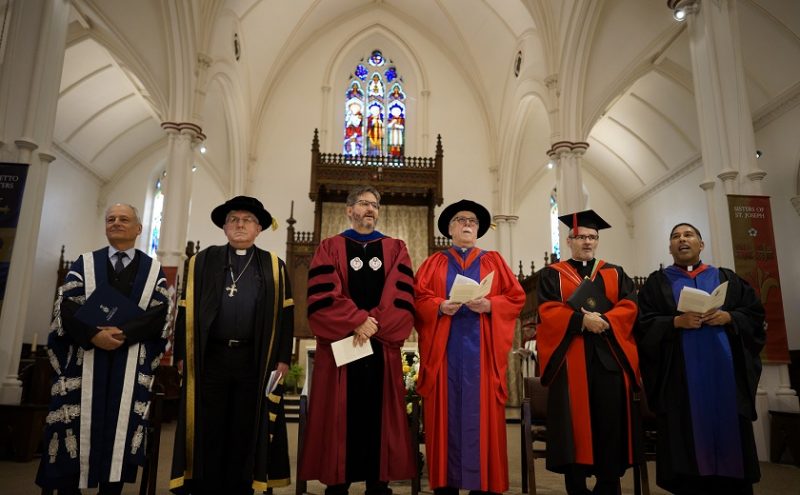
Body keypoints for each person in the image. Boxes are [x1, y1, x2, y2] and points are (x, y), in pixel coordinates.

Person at [36, 203, 171, 494]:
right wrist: (93, 335)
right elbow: (67, 306)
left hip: (128, 364)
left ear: (138, 228)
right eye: (111, 219)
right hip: (85, 361)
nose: (116, 223)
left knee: (118, 439)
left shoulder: (153, 271)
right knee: (73, 435)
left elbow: (158, 314)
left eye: (124, 219)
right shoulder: (84, 264)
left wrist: (122, 332)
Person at [170, 196, 294, 495]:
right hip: (210, 357)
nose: (240, 225)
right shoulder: (202, 261)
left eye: (247, 220)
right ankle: (206, 484)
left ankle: (241, 486)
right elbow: (184, 310)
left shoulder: (273, 266)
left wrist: (282, 358)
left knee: (244, 425)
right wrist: (181, 353)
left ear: (259, 228)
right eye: (234, 220)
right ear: (224, 227)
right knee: (210, 423)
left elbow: (286, 313)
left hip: (254, 359)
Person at [299, 185, 416, 495]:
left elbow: (400, 295)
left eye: (374, 205)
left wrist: (371, 324)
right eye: (363, 203)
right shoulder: (330, 247)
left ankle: (378, 483)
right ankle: (339, 483)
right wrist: (356, 321)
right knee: (341, 417)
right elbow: (323, 296)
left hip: (380, 349)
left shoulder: (395, 249)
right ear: (349, 210)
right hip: (343, 349)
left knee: (379, 418)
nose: (370, 209)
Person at [636, 223, 765, 494]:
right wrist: (675, 322)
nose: (682, 240)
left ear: (701, 244)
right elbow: (642, 326)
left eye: (688, 235)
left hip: (725, 377)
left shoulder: (725, 278)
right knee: (689, 464)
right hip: (682, 382)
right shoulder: (657, 283)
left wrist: (729, 317)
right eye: (675, 237)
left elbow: (754, 315)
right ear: (670, 248)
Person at [414, 199, 525, 495]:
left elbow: (515, 298)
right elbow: (419, 300)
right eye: (461, 220)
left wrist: (491, 304)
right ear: (450, 228)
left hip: (482, 358)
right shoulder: (433, 263)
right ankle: (445, 485)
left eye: (473, 221)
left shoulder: (494, 261)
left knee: (482, 420)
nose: (467, 225)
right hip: (445, 356)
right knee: (445, 420)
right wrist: (439, 306)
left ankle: (483, 485)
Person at [536, 209, 640, 495]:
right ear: (569, 240)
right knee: (573, 427)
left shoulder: (614, 273)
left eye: (592, 237)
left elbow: (630, 307)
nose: (587, 242)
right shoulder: (552, 275)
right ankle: (577, 486)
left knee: (610, 423)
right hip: (571, 361)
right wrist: (580, 321)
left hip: (609, 360)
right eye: (581, 237)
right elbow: (546, 312)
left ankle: (608, 485)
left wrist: (606, 320)